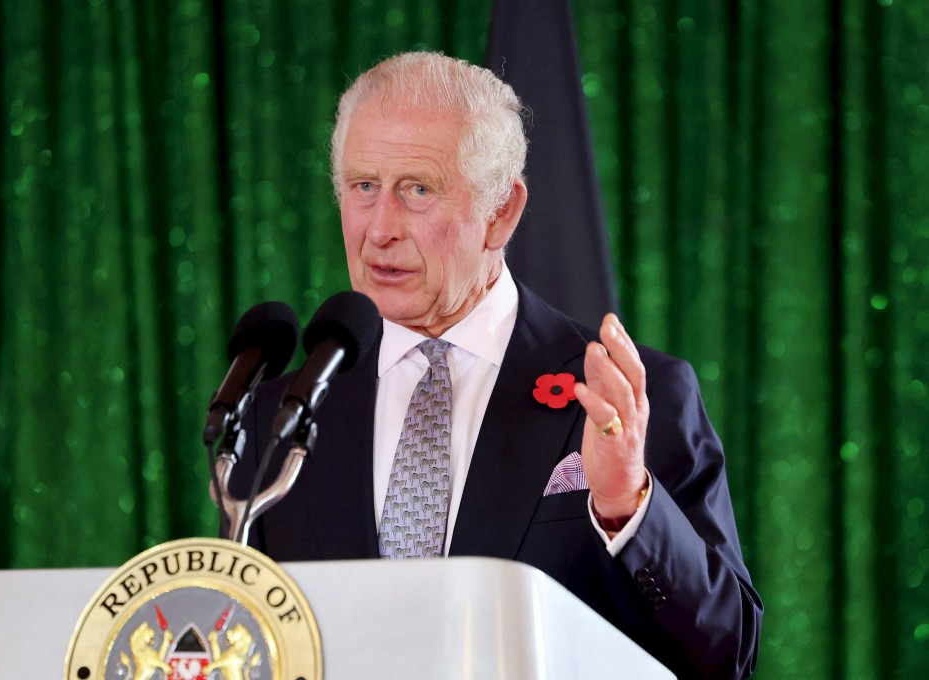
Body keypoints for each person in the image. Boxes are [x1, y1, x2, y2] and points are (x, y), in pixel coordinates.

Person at [226, 52, 762, 679]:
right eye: (363, 187)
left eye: (417, 190)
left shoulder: (626, 397)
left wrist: (627, 506)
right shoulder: (278, 417)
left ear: (501, 212)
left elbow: (728, 653)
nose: (379, 229)